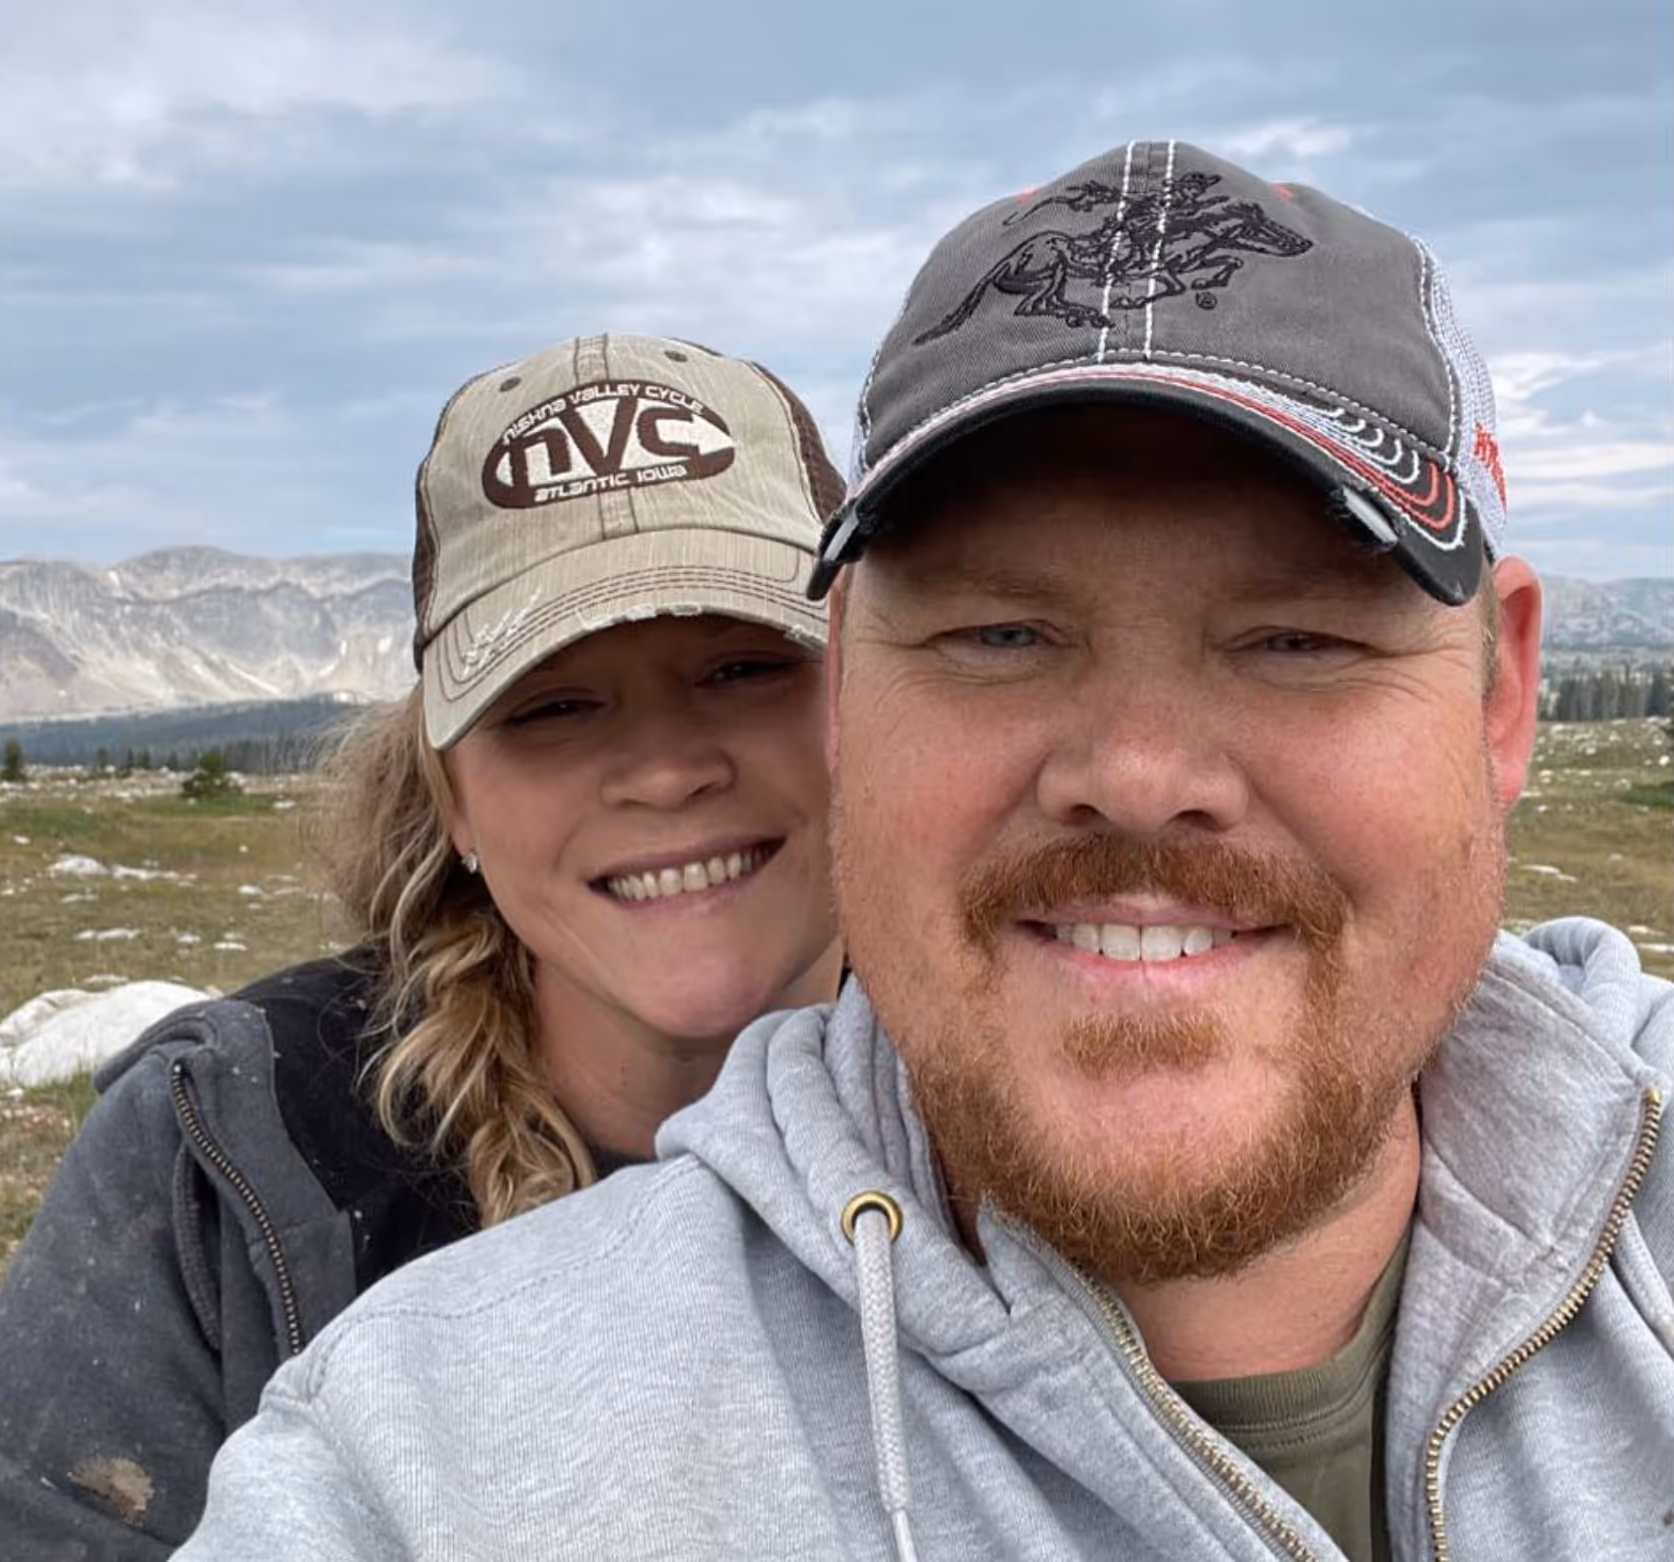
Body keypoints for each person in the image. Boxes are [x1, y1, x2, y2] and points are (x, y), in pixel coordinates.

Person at [171, 144, 1672, 1562]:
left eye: (1296, 638)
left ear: (1500, 699)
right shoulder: (426, 1460)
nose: (1134, 776)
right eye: (999, 635)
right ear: (845, 694)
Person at [0, 333, 846, 1559]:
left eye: (743, 666)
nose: (665, 770)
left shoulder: (1049, 1100)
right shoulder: (227, 1154)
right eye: (552, 704)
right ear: (452, 799)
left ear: (874, 698)